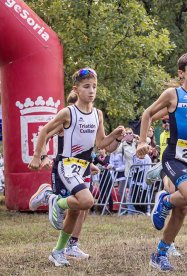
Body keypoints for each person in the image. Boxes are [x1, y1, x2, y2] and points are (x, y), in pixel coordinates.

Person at [28, 68, 125, 266]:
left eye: (94, 87)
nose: (91, 91)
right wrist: (38, 156)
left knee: (77, 209)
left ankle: (59, 251)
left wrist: (116, 137)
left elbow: (101, 144)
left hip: (83, 166)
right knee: (86, 201)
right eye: (86, 87)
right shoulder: (68, 112)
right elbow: (44, 131)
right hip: (66, 165)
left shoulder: (98, 114)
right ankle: (52, 199)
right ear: (76, 89)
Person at [136, 53, 187, 272]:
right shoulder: (173, 94)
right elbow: (147, 113)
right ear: (182, 74)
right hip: (174, 155)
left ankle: (159, 254)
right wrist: (142, 142)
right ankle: (164, 201)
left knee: (182, 210)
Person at [29, 90, 99, 260]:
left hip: (83, 167)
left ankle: (72, 244)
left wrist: (91, 164)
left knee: (83, 208)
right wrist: (43, 156)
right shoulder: (66, 119)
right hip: (66, 168)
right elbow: (44, 135)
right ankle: (48, 196)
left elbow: (86, 146)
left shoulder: (92, 117)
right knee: (77, 207)